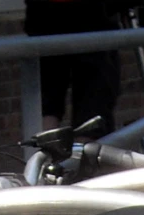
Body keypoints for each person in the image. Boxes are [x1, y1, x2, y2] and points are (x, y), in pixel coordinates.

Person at [25, 0, 130, 134]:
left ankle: (44, 150)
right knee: (93, 108)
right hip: (93, 19)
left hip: (44, 16)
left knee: (48, 104)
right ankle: (82, 150)